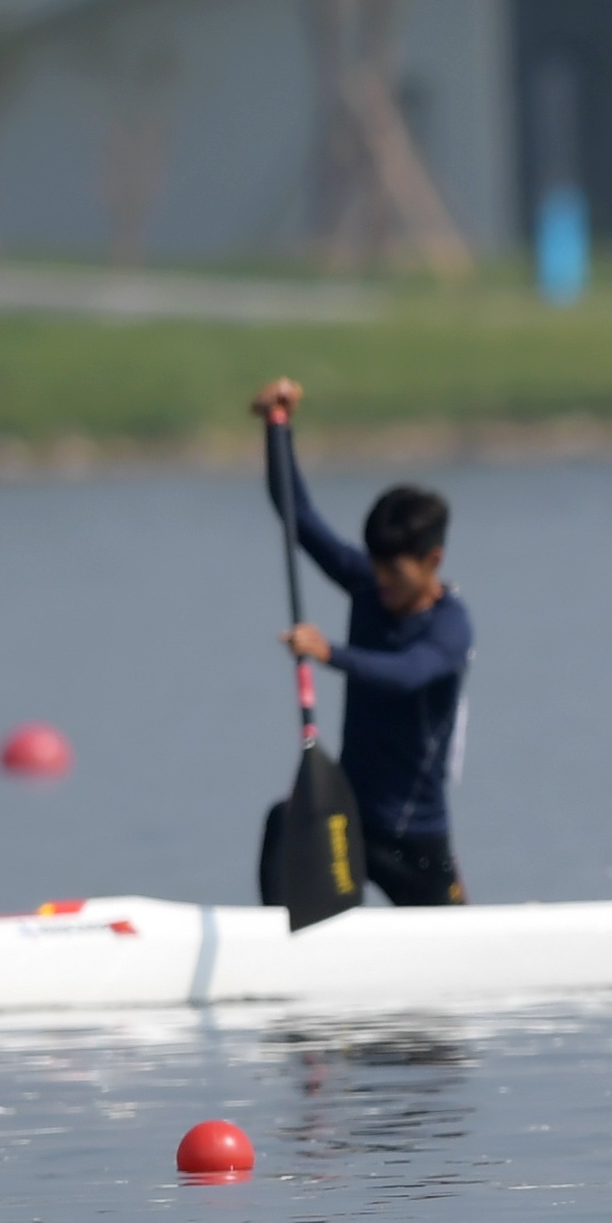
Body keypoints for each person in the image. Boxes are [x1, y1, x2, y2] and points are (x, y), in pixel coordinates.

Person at [252, 378, 473, 906]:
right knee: (283, 820)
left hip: (418, 839)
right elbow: (299, 519)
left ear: (432, 562)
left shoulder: (451, 627)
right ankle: (278, 943)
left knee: (457, 943)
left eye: (393, 571)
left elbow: (407, 675)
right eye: (374, 567)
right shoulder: (370, 585)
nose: (381, 583)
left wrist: (329, 653)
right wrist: (276, 429)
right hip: (347, 821)